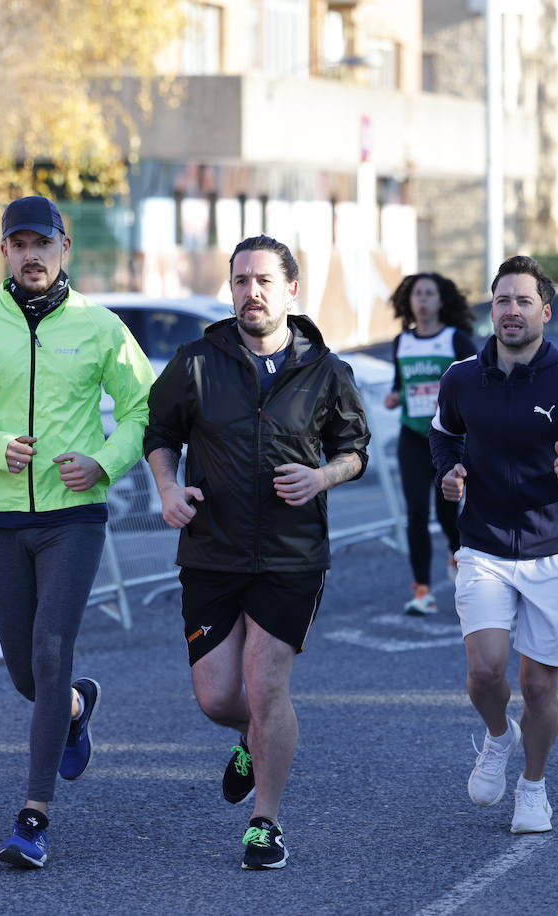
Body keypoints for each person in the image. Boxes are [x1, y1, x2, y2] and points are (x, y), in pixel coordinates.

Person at [0, 196, 154, 869]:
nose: (31, 255)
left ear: (64, 248)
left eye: (41, 243)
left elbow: (143, 409)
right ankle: (76, 707)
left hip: (73, 515)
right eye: (18, 244)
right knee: (27, 673)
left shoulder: (100, 326)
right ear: (4, 253)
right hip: (2, 516)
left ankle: (33, 816)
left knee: (50, 651)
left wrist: (104, 460)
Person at [144, 235, 370, 870]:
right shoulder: (196, 362)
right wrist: (167, 487)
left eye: (264, 280)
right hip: (211, 550)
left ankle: (265, 822)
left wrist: (322, 476)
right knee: (218, 698)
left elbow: (355, 449)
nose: (252, 292)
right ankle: (252, 738)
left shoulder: (326, 370)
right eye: (241, 280)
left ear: (291, 290)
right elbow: (159, 433)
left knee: (266, 688)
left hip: (290, 554)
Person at [430, 255, 558, 834]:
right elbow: (442, 434)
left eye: (522, 301)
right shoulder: (462, 378)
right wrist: (449, 473)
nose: (511, 310)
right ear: (490, 310)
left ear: (544, 311)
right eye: (501, 301)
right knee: (485, 672)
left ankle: (533, 786)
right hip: (486, 545)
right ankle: (498, 736)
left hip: (555, 549)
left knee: (538, 684)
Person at [382, 272, 477, 615]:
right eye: (417, 294)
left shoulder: (456, 340)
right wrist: (394, 396)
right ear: (409, 302)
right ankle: (422, 590)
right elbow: (400, 383)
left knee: (446, 509)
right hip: (411, 436)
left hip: (447, 437)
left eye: (429, 294)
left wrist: (455, 402)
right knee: (416, 514)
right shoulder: (401, 343)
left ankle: (456, 552)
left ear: (441, 300)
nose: (422, 300)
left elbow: (478, 381)